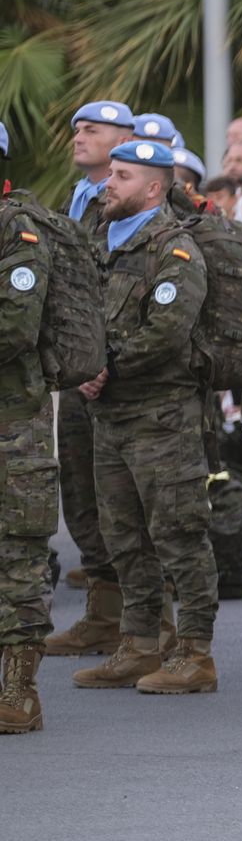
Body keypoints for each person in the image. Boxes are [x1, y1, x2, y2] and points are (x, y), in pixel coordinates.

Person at [70, 140, 219, 695]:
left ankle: (196, 652)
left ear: (154, 188)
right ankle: (138, 643)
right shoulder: (97, 241)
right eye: (111, 172)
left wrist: (103, 366)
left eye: (123, 175)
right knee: (123, 536)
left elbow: (168, 328)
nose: (109, 182)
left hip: (163, 416)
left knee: (179, 533)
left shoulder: (174, 250)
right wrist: (81, 368)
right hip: (109, 416)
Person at [45, 101, 133, 658]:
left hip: (118, 375)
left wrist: (105, 361)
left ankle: (145, 622)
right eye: (77, 127)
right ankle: (104, 612)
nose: (79, 136)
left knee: (125, 501)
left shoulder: (145, 200)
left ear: (124, 137)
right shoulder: (78, 199)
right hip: (77, 371)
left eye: (93, 129)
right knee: (80, 491)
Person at [0, 120, 61, 733]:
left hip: (12, 426)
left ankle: (19, 688)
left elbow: (15, 327)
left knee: (17, 557)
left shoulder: (19, 236)